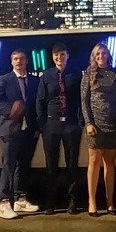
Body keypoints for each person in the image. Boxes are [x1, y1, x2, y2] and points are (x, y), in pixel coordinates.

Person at [0, 49, 41, 219]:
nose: (19, 62)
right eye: (15, 59)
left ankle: (20, 199)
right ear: (12, 62)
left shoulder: (34, 80)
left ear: (26, 61)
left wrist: (37, 126)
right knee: (8, 167)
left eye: (22, 59)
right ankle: (3, 203)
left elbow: (36, 104)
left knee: (23, 165)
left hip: (29, 130)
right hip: (10, 130)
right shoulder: (4, 79)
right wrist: (10, 110)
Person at [35, 42, 84, 215]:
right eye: (56, 55)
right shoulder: (46, 75)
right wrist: (42, 125)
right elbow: (40, 101)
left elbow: (81, 99)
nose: (59, 58)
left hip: (71, 124)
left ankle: (73, 202)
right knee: (51, 166)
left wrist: (80, 122)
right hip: (51, 125)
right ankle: (51, 203)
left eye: (62, 54)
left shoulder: (76, 74)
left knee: (72, 166)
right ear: (52, 57)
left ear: (67, 56)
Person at [81, 42, 116, 217]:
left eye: (103, 53)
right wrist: (89, 123)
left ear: (108, 55)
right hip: (95, 125)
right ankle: (92, 201)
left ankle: (110, 202)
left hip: (113, 122)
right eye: (98, 54)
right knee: (94, 163)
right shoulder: (88, 73)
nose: (101, 57)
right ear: (94, 56)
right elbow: (84, 101)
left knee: (110, 164)